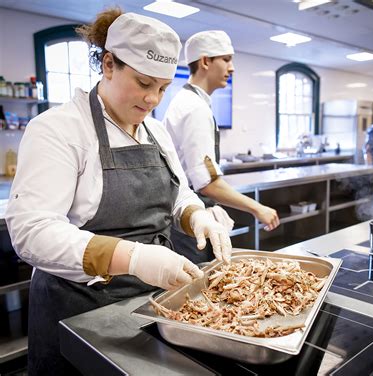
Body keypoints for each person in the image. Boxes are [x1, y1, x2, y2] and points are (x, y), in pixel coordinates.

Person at [5, 9, 232, 375]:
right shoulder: (59, 129)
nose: (154, 99)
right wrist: (133, 258)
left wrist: (197, 215)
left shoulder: (155, 131)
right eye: (143, 84)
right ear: (108, 64)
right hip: (78, 313)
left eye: (161, 87)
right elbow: (32, 232)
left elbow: (178, 193)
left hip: (152, 304)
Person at [163, 30, 280, 263]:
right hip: (190, 223)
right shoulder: (195, 108)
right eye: (226, 59)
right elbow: (208, 185)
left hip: (186, 219)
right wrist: (258, 209)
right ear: (205, 61)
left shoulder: (188, 101)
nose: (232, 67)